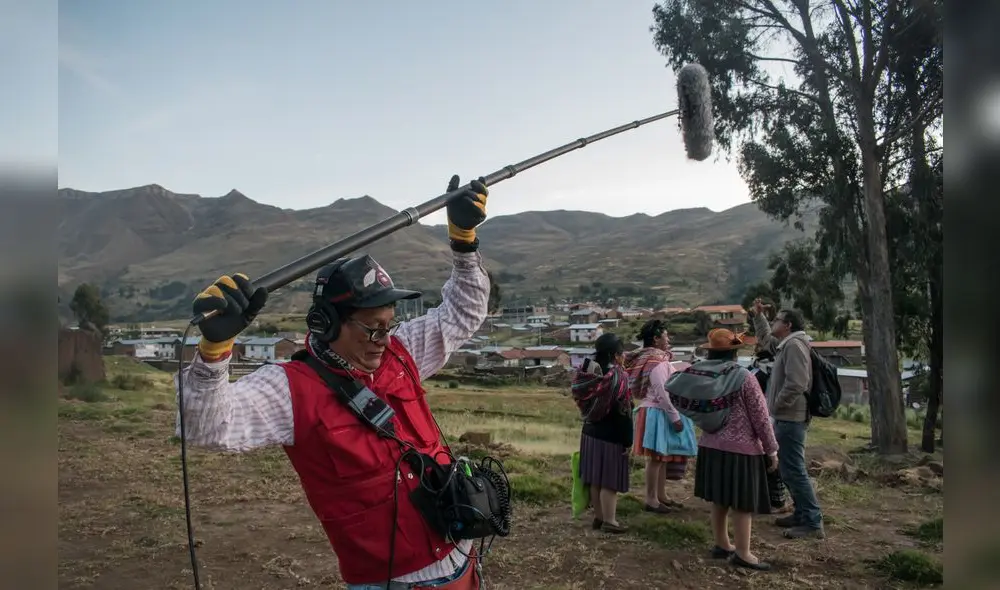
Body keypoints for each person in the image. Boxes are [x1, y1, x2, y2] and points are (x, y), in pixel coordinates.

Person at [176, 175, 492, 589]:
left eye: (389, 326)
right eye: (372, 328)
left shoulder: (400, 351)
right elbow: (206, 427)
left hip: (462, 564)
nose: (384, 340)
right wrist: (215, 349)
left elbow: (463, 313)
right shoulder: (290, 389)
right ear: (326, 324)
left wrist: (464, 242)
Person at [666, 328, 779, 571]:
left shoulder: (698, 374)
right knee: (742, 504)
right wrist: (771, 449)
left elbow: (672, 385)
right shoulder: (743, 376)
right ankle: (743, 553)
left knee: (720, 500)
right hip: (743, 450)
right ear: (734, 353)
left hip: (710, 445)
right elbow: (760, 417)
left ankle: (722, 544)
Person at [752, 299, 825, 540]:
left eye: (776, 320)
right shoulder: (788, 344)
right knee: (788, 469)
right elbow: (765, 340)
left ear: (788, 324)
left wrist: (774, 405)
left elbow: (797, 383)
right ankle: (802, 514)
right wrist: (759, 316)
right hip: (786, 416)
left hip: (790, 417)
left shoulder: (794, 346)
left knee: (794, 469)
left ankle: (812, 521)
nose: (773, 323)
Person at [624, 319, 697, 513]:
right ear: (656, 339)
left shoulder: (654, 358)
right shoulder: (656, 360)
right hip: (657, 411)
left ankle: (660, 495)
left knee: (661, 457)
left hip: (658, 410)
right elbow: (662, 391)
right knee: (655, 458)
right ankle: (651, 498)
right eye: (665, 336)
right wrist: (675, 416)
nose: (668, 339)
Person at [571, 333, 633, 534]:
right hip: (611, 434)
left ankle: (598, 517)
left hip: (589, 432)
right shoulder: (618, 377)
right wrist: (627, 440)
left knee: (595, 478)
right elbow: (623, 411)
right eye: (622, 353)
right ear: (616, 355)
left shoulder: (585, 373)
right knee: (610, 481)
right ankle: (610, 520)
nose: (624, 357)